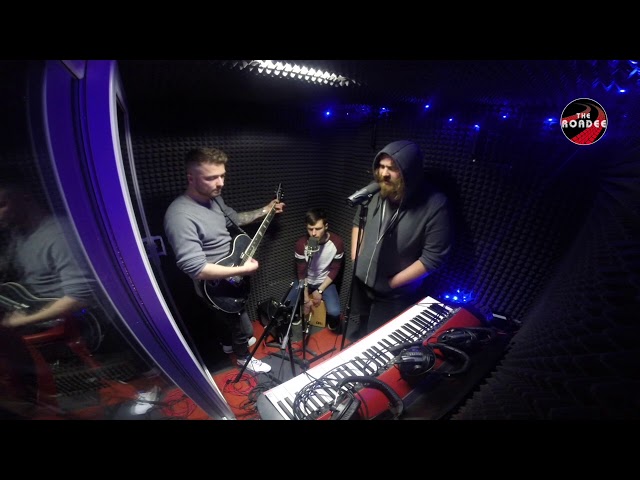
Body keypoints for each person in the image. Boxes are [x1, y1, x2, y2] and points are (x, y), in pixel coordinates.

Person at [163, 147, 285, 374]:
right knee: (243, 328)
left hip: (232, 271)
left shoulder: (214, 198)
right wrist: (241, 270)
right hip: (213, 284)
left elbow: (233, 219)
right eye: (211, 178)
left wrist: (265, 210)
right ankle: (243, 358)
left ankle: (229, 344)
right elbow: (196, 269)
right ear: (191, 178)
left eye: (222, 176)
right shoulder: (180, 215)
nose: (220, 183)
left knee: (227, 321)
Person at [349, 140, 452, 340]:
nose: (384, 174)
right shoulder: (376, 191)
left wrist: (393, 283)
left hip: (393, 294)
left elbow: (433, 258)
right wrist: (356, 258)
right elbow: (357, 222)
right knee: (357, 331)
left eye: (392, 168)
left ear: (409, 171)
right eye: (381, 166)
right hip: (361, 283)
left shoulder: (435, 205)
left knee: (377, 342)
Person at [0, 179, 96, 333]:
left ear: (25, 198)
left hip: (64, 322)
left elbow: (79, 299)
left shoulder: (61, 236)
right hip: (30, 304)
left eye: (2, 205)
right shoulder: (18, 231)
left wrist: (20, 321)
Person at [285, 207, 344, 331]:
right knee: (287, 304)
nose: (313, 233)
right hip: (306, 280)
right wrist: (306, 297)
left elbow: (335, 269)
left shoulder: (337, 243)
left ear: (326, 226)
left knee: (335, 312)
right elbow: (301, 272)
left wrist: (320, 290)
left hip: (324, 282)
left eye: (318, 229)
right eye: (310, 229)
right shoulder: (301, 244)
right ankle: (297, 316)